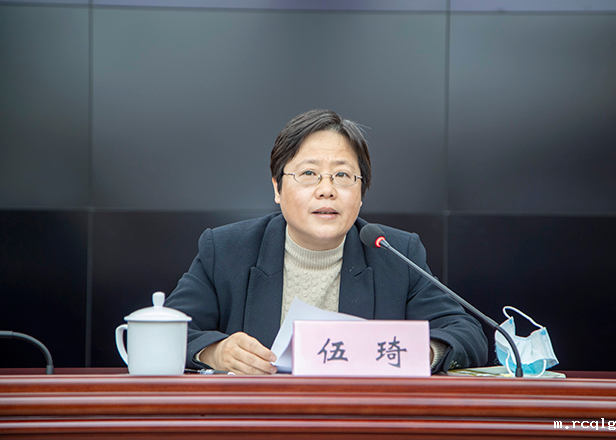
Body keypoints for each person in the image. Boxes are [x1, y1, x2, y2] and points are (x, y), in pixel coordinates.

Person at [165, 109, 487, 375]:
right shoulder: (226, 250)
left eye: (343, 176)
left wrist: (415, 354)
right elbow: (168, 333)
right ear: (277, 188)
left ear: (361, 193)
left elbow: (467, 335)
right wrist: (215, 351)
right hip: (258, 419)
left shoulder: (395, 253)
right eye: (309, 174)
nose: (326, 190)